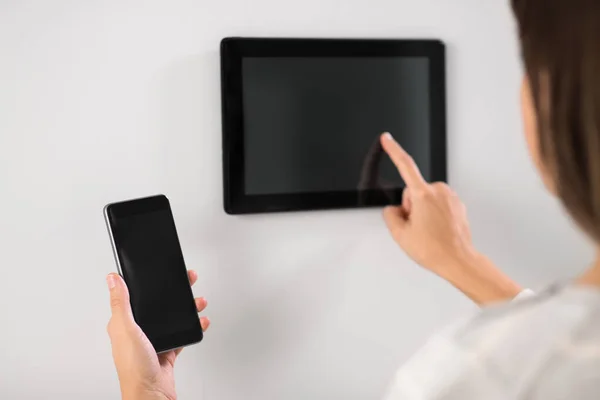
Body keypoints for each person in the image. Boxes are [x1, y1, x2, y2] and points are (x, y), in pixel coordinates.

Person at [106, 0, 600, 398]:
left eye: (529, 67)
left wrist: (146, 392)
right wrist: (461, 260)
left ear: (557, 109)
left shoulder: (472, 377)